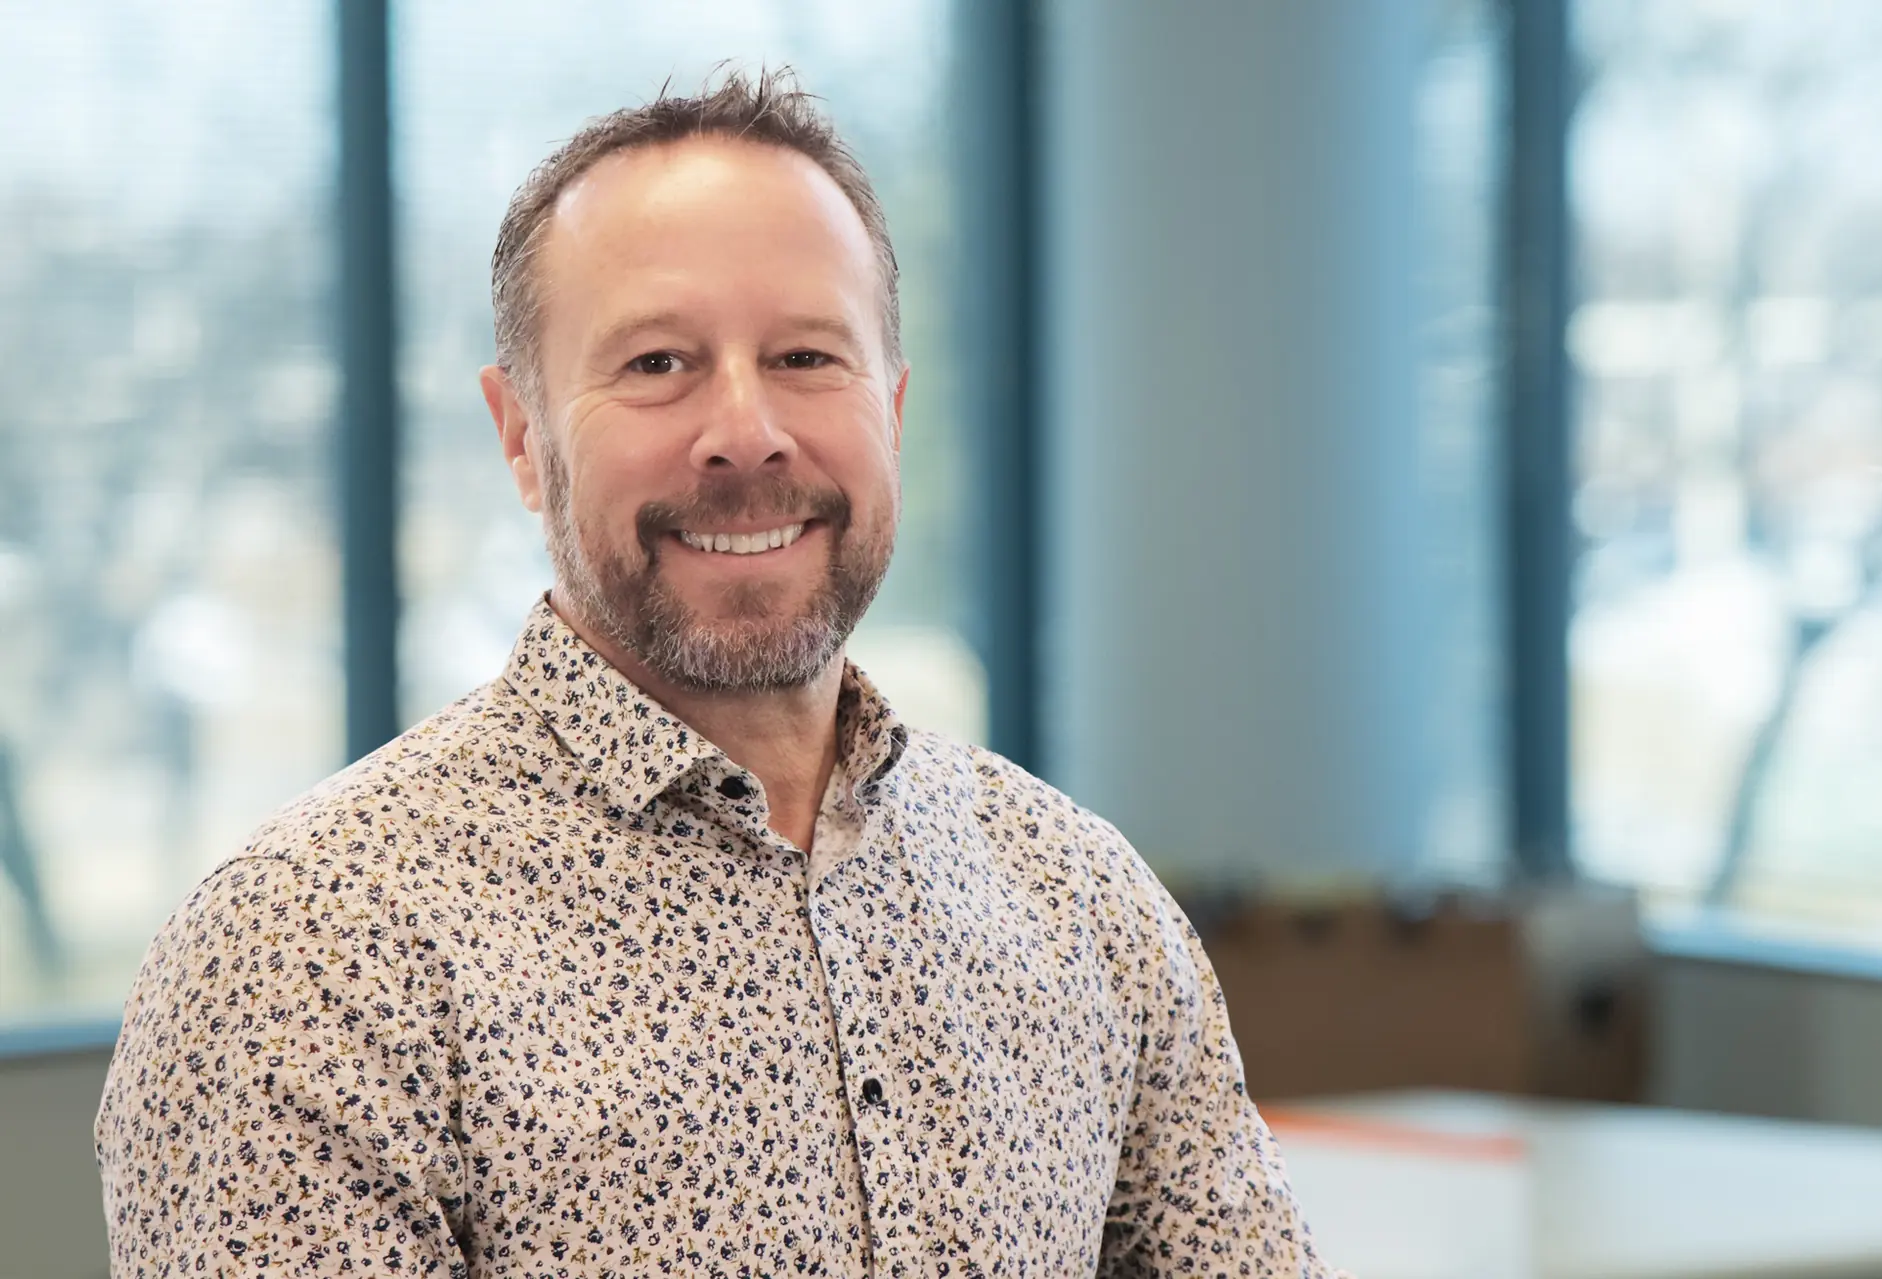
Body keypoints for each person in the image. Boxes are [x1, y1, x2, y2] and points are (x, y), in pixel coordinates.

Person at [96, 68, 1341, 1278]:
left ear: (893, 411)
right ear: (523, 438)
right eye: (657, 364)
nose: (746, 432)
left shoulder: (1083, 903)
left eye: (807, 357)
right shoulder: (309, 952)